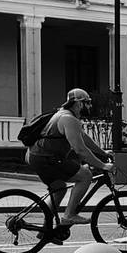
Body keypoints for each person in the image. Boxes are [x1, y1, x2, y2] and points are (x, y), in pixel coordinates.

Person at [25, 88, 111, 240]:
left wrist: (103, 153)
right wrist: (103, 166)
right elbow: (80, 150)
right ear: (78, 104)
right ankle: (69, 215)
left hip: (36, 156)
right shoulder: (68, 119)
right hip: (45, 158)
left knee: (59, 188)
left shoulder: (64, 115)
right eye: (87, 103)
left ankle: (45, 230)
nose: (89, 106)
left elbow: (84, 139)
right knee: (85, 176)